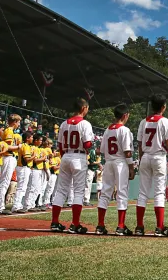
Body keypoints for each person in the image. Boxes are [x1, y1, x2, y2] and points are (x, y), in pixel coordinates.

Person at [50, 98, 95, 234]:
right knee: (79, 191)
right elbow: (87, 144)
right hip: (79, 156)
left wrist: (64, 156)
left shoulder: (64, 124)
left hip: (65, 156)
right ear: (83, 108)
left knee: (61, 190)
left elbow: (60, 145)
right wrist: (90, 146)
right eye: (87, 108)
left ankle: (55, 222)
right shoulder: (85, 123)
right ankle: (75, 224)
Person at [135, 94, 168, 237]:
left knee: (142, 193)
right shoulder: (166, 122)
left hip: (145, 156)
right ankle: (159, 227)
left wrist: (141, 158)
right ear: (163, 107)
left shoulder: (143, 122)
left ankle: (139, 226)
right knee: (159, 192)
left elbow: (140, 144)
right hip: (158, 156)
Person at [96, 104, 136, 236]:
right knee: (122, 193)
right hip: (120, 162)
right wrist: (131, 167)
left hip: (108, 162)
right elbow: (127, 152)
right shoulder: (124, 130)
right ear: (125, 115)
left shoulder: (108, 130)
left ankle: (100, 225)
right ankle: (120, 226)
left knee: (105, 192)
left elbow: (101, 150)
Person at [0, 115, 22, 215]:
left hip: (10, 157)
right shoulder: (9, 131)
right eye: (18, 122)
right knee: (4, 182)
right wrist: (18, 147)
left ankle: (0, 206)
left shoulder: (10, 131)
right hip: (8, 157)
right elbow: (7, 146)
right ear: (14, 122)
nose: (19, 124)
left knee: (5, 182)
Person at [12, 131, 35, 214]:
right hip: (23, 167)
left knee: (22, 187)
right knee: (21, 187)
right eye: (31, 137)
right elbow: (26, 159)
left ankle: (18, 205)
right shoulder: (25, 146)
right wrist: (34, 156)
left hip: (23, 167)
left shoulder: (26, 146)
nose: (32, 138)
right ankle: (16, 206)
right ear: (27, 138)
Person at [26, 135, 47, 212]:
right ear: (35, 140)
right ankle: (28, 204)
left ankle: (32, 204)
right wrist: (43, 158)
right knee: (32, 187)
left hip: (39, 169)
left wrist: (43, 159)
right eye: (40, 140)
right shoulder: (33, 148)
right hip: (34, 169)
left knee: (37, 188)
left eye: (41, 140)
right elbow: (35, 160)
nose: (41, 142)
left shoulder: (39, 149)